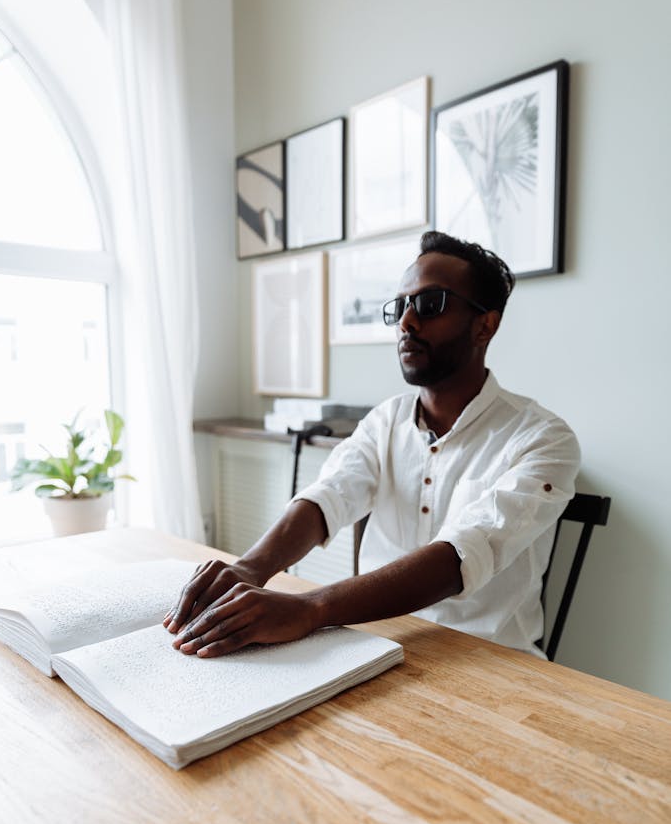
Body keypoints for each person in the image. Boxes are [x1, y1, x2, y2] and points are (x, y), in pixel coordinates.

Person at [164, 231, 580, 659]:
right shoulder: (385, 421)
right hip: (375, 648)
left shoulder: (544, 440)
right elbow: (329, 495)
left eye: (430, 303)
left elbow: (461, 554)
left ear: (485, 325)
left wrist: (310, 608)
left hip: (491, 665)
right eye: (400, 307)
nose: (407, 323)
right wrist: (249, 568)